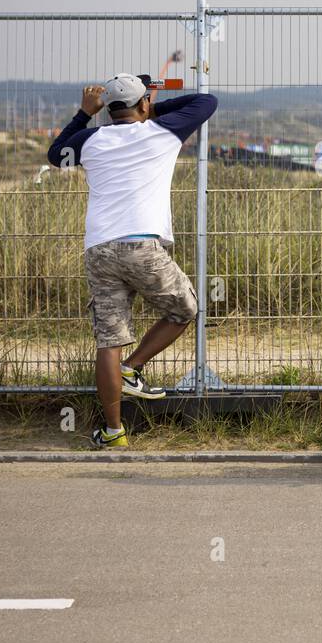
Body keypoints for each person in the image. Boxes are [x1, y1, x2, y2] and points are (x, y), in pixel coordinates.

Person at [47, 74, 218, 448]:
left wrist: (83, 113)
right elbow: (206, 102)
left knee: (109, 340)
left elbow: (55, 154)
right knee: (185, 308)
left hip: (100, 249)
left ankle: (113, 432)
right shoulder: (159, 132)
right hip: (141, 245)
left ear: (108, 110)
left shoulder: (90, 139)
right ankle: (132, 369)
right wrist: (151, 108)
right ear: (141, 106)